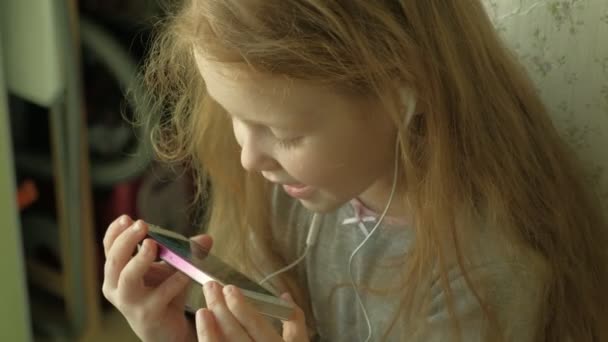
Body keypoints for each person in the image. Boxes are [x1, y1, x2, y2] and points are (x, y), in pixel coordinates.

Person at [101, 1, 608, 341]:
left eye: (286, 134)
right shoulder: (296, 186)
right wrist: (180, 333)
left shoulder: (486, 277)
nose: (249, 159)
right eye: (235, 117)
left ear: (401, 96)